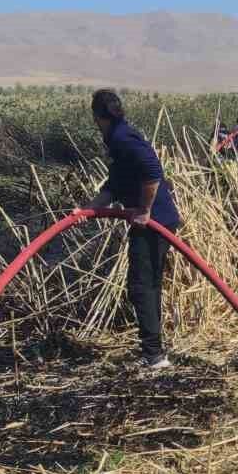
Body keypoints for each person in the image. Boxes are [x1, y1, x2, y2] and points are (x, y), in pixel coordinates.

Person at [84, 88, 182, 370]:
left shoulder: (121, 137)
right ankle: (154, 351)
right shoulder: (118, 137)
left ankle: (154, 355)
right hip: (154, 220)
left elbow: (152, 170)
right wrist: (88, 209)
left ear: (97, 117)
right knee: (145, 284)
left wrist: (145, 210)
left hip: (156, 221)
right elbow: (115, 184)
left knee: (142, 286)